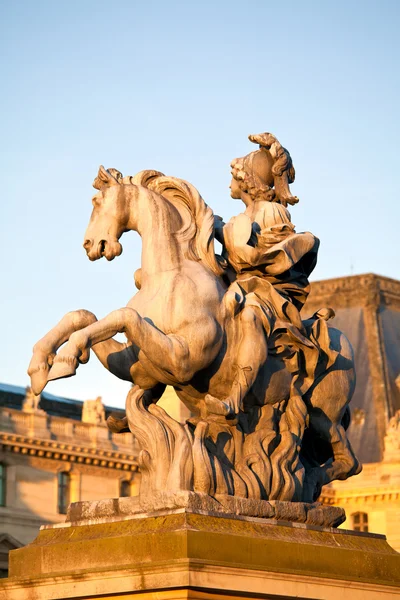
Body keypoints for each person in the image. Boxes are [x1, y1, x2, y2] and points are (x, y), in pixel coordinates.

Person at [205, 132, 324, 418]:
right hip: (241, 285)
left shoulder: (271, 212)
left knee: (250, 316)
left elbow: (262, 257)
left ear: (247, 181)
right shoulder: (241, 219)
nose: (230, 183)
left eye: (234, 176)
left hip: (270, 293)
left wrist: (223, 233)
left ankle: (235, 397)